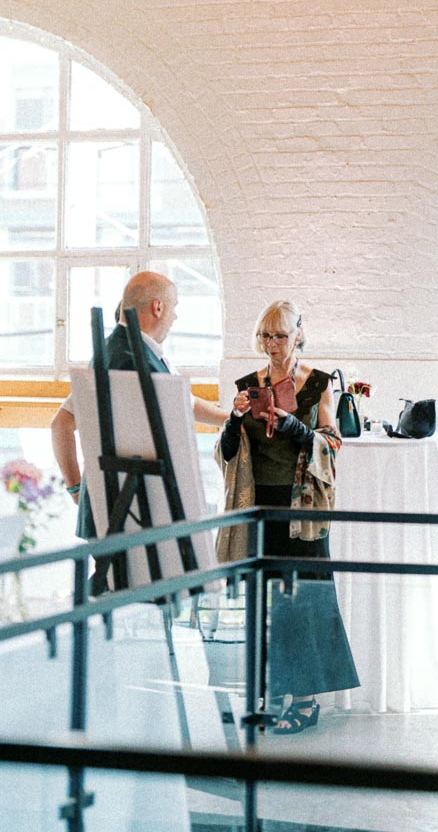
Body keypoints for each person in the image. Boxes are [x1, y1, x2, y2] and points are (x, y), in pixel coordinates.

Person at [215, 300, 359, 734]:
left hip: (303, 509)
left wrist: (296, 427)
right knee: (267, 604)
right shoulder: (248, 384)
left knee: (306, 604)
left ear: (298, 334)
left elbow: (332, 444)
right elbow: (228, 454)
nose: (272, 344)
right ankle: (270, 693)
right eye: (265, 336)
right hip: (260, 507)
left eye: (279, 335)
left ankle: (307, 698)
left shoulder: (317, 384)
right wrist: (234, 418)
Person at [50, 272, 227, 537]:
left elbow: (185, 404)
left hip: (121, 508)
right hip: (127, 511)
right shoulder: (127, 359)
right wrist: (76, 487)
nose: (175, 317)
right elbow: (61, 423)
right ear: (158, 307)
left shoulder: (125, 351)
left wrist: (232, 418)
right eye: (174, 307)